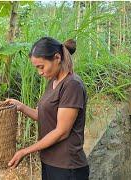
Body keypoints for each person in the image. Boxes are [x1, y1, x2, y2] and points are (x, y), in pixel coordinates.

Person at [6, 37, 89, 180]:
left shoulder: (72, 85)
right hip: (49, 162)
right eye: (37, 68)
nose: (40, 72)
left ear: (57, 58)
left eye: (41, 66)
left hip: (67, 167)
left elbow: (62, 131)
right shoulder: (53, 82)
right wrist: (20, 106)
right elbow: (42, 116)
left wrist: (26, 151)